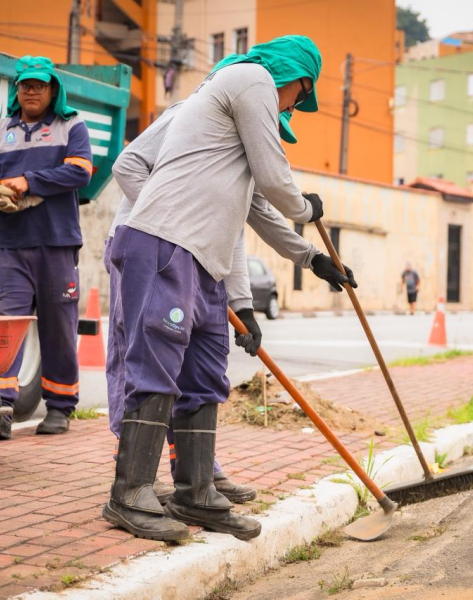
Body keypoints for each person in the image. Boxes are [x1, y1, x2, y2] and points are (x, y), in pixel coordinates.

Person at [103, 35, 331, 543]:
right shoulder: (247, 79)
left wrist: (310, 258)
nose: (292, 109)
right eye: (298, 98)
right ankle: (129, 493)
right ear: (298, 80)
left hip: (203, 262)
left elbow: (245, 215)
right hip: (163, 242)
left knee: (205, 374)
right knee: (155, 365)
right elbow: (277, 181)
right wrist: (308, 209)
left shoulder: (230, 143)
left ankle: (196, 492)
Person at [0, 56, 93, 440]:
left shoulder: (71, 125)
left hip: (56, 243)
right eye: (25, 85)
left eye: (39, 85)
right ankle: (1, 408)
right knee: (4, 327)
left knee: (59, 327)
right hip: (10, 245)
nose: (31, 91)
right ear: (18, 89)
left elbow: (79, 171)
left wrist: (27, 182)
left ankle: (59, 407)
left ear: (52, 89)